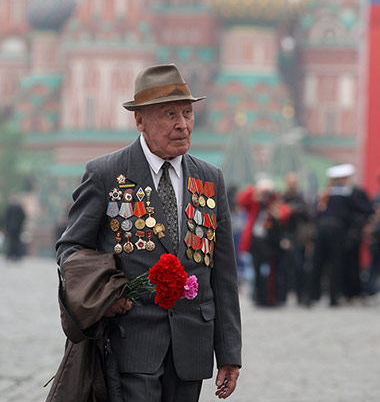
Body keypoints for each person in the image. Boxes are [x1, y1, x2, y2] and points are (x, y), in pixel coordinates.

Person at [56, 63, 241, 402]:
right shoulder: (106, 174)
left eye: (187, 113)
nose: (182, 125)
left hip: (192, 345)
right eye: (169, 114)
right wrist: (101, 295)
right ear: (140, 120)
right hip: (132, 341)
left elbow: (224, 273)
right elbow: (71, 248)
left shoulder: (210, 179)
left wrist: (229, 352)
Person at [309, 163, 373, 307]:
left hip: (321, 229)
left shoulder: (325, 193)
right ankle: (333, 298)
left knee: (317, 263)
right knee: (335, 264)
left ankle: (312, 296)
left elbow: (316, 211)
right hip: (337, 230)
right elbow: (365, 209)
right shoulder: (348, 192)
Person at [236, 178, 291, 306]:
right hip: (256, 242)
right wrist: (255, 192)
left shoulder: (274, 203)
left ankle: (271, 298)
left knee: (271, 272)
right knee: (256, 270)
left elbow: (284, 212)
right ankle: (258, 297)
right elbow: (241, 200)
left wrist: (272, 201)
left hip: (270, 243)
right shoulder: (255, 204)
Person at [282, 172, 311, 304]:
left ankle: (301, 295)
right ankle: (284, 294)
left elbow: (308, 216)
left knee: (300, 266)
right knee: (287, 267)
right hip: (287, 236)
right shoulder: (283, 198)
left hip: (299, 237)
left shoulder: (301, 198)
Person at [4, 196, 26, 261]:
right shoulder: (19, 208)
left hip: (11, 228)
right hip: (17, 228)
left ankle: (10, 255)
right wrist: (20, 224)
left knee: (11, 241)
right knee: (16, 242)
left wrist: (7, 226)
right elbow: (23, 216)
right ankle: (16, 255)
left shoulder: (9, 208)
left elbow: (6, 218)